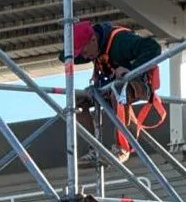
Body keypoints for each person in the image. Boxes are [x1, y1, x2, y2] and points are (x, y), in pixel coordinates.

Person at [61, 20, 164, 165]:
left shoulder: (121, 41)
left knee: (120, 91)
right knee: (79, 99)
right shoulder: (94, 46)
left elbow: (153, 48)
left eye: (84, 51)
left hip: (138, 84)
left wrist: (131, 70)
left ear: (93, 40)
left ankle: (122, 148)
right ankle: (94, 148)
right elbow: (63, 56)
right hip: (110, 86)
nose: (84, 57)